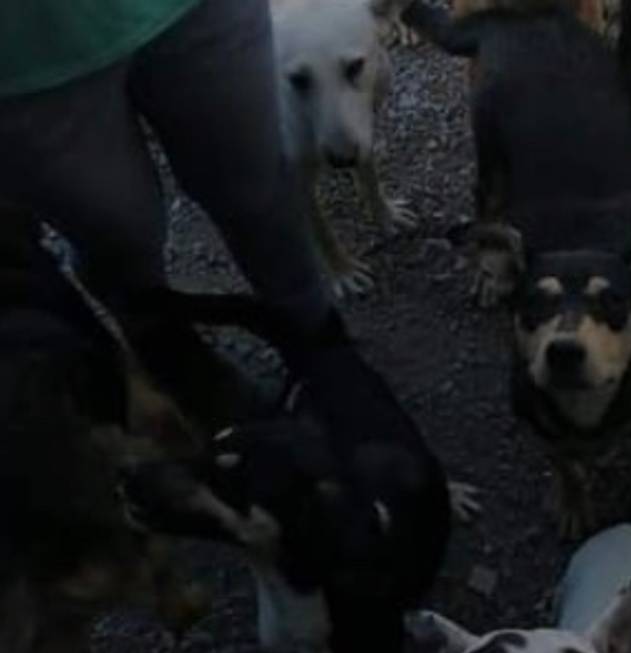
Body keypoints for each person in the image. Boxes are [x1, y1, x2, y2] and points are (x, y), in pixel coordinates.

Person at [0, 0, 362, 425]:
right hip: (23, 58)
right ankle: (179, 362)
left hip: (192, 11)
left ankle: (320, 341)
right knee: (120, 240)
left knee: (260, 190)